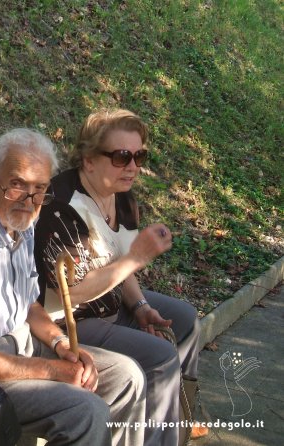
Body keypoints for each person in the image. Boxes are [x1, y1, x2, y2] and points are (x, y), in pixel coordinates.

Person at [0, 128, 145, 446]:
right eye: (17, 185)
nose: (29, 200)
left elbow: (29, 304)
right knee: (85, 411)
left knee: (124, 376)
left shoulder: (23, 218)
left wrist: (63, 346)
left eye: (40, 189)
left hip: (20, 344)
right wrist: (52, 370)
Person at [34, 108, 207, 445]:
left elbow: (118, 259)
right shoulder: (60, 206)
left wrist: (140, 306)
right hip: (68, 320)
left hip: (110, 303)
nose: (133, 167)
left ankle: (178, 420)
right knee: (159, 357)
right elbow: (77, 293)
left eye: (139, 155)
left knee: (185, 320)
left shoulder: (121, 194)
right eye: (122, 156)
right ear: (88, 160)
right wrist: (137, 257)